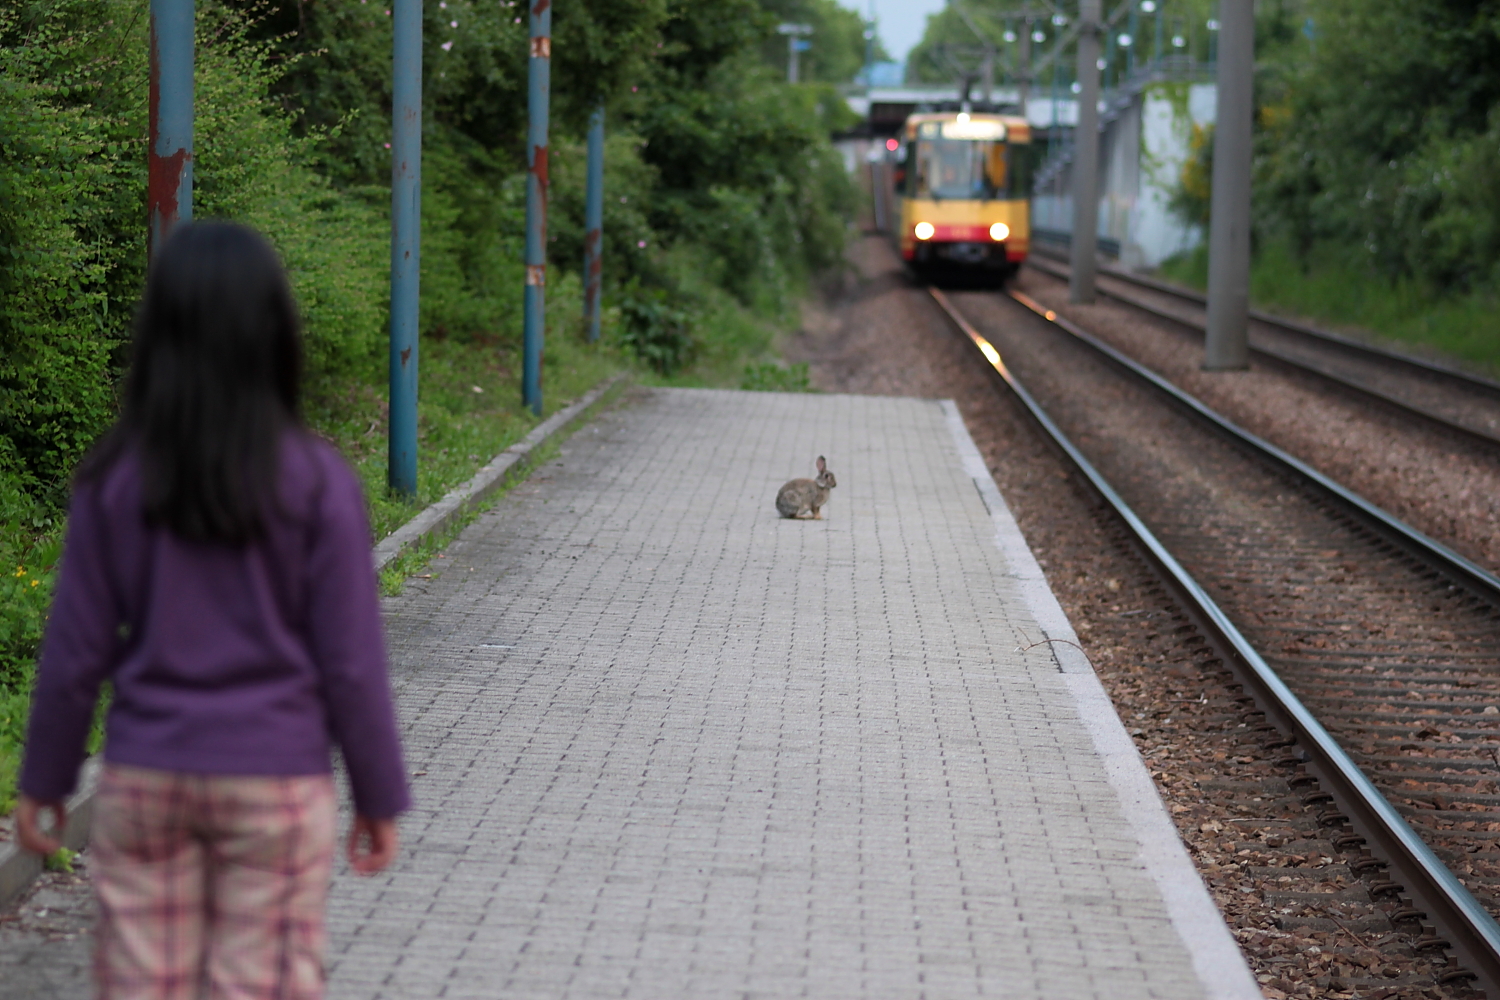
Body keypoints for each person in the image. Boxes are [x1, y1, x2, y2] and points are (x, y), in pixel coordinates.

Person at [15, 221, 410, 999]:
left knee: (141, 983)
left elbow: (73, 657)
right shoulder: (318, 483)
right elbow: (351, 666)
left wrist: (44, 784)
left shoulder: (115, 481)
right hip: (276, 780)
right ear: (274, 335)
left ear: (158, 334)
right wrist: (377, 796)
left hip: (147, 777)